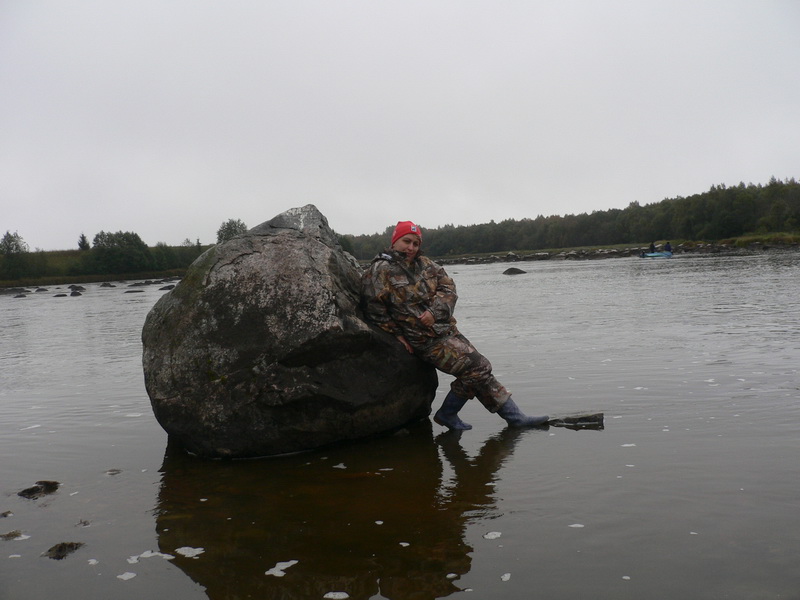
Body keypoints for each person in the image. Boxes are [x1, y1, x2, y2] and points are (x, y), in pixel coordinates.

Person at [360, 221, 549, 430]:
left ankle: (515, 417)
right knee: (479, 367)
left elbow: (449, 289)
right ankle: (448, 413)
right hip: (424, 340)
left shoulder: (425, 264)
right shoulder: (380, 270)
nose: (411, 248)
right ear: (395, 241)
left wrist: (434, 312)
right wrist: (397, 334)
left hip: (446, 331)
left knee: (481, 372)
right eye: (406, 241)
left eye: (415, 243)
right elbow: (373, 306)